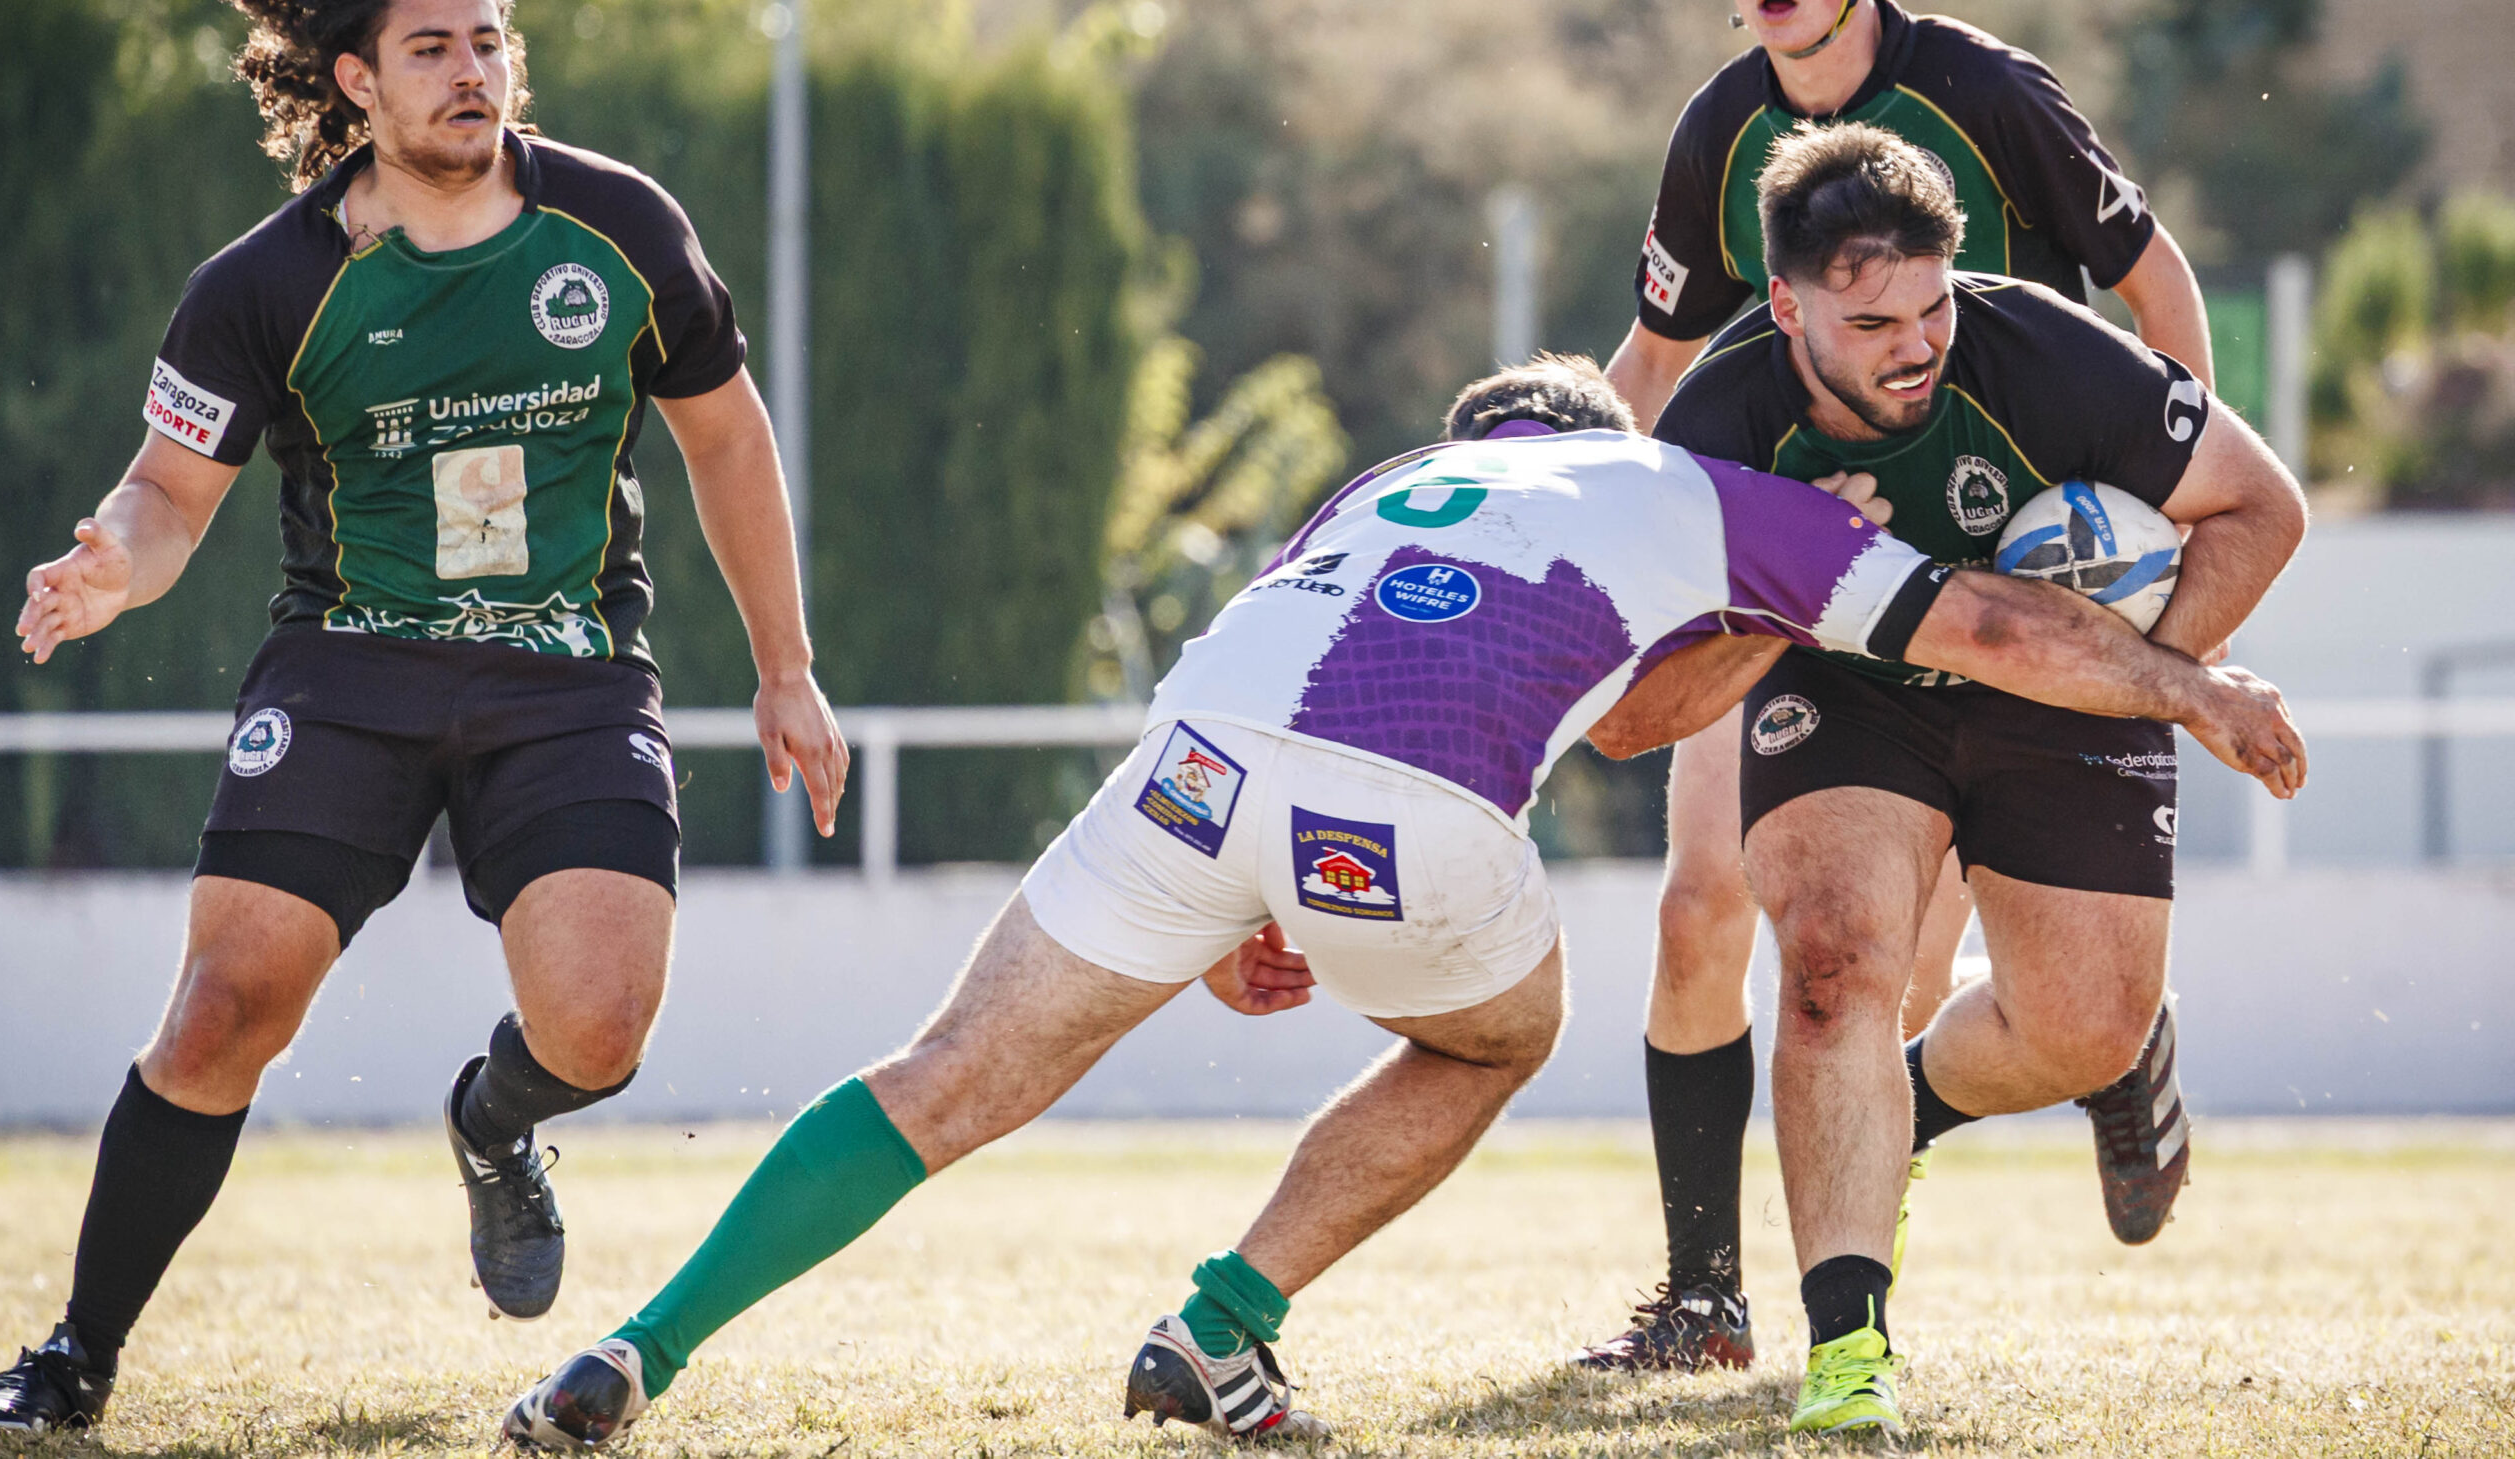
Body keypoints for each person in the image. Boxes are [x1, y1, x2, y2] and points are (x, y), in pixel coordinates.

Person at [492, 355, 2302, 1451]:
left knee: (947, 1074)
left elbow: (1490, 683)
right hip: (1399, 813)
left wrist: (1260, 903)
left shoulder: (1392, 484)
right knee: (1503, 1034)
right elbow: (1994, 630)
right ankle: (1226, 1317)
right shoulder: (1693, 484)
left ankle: (639, 1347)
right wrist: (2195, 689)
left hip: (1193, 769)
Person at [0, 0, 847, 1435]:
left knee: (602, 1028)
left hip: (567, 672)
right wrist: (112, 565)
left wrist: (787, 669)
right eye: (432, 48)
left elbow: (727, 438)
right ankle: (74, 1359)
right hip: (348, 668)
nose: (473, 72)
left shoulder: (621, 230)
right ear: (355, 79)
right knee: (224, 1013)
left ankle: (495, 1121)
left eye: (491, 41)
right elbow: (170, 490)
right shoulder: (266, 284)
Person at [1576, 0, 2225, 1375]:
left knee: (1913, 979)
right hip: (1818, 568)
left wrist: (2158, 519)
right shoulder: (1721, 129)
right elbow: (1655, 372)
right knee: (1697, 911)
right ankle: (1704, 1302)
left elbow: (2152, 286)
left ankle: (2064, 1067)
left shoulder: (1991, 93)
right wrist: (1561, 530)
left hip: (2006, 577)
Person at [1626, 122, 2306, 1433]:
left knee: (2087, 1030)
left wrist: (2137, 675)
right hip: (1847, 694)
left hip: (2061, 685)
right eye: (1874, 320)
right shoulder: (1716, 430)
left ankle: (1908, 1104)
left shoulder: (2041, 351)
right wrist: (1789, 589)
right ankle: (1846, 1354)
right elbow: (1637, 716)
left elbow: (2263, 505)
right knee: (1832, 969)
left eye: (1932, 305)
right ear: (1785, 306)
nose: (1919, 343)